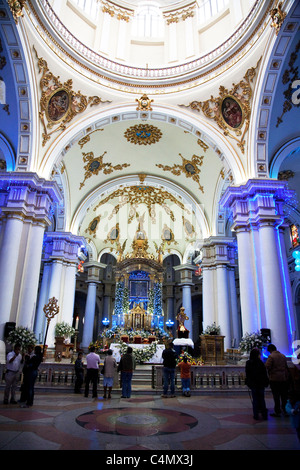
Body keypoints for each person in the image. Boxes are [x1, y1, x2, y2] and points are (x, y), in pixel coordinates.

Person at [266, 343, 290, 417]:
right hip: (283, 378)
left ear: (270, 350)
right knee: (284, 396)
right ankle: (285, 410)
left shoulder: (271, 356)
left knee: (276, 396)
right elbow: (286, 366)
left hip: (274, 378)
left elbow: (267, 366)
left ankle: (277, 411)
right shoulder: (283, 355)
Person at [245, 348, 269, 420]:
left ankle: (256, 415)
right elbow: (264, 373)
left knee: (255, 399)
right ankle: (264, 414)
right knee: (262, 399)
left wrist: (248, 382)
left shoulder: (248, 363)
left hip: (253, 384)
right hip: (260, 383)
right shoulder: (261, 362)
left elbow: (248, 373)